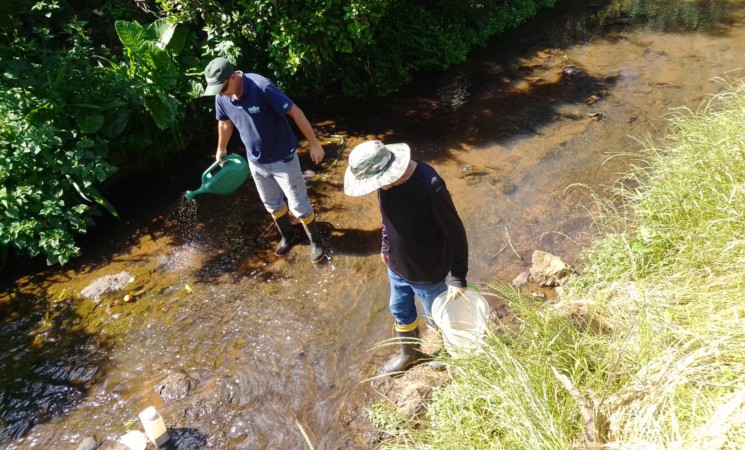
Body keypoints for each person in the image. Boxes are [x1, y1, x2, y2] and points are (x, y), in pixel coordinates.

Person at [343, 140, 469, 374]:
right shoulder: (385, 184)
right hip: (397, 263)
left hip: (427, 270)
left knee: (437, 316)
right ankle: (410, 353)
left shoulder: (430, 186)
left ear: (391, 170)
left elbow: (456, 232)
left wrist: (459, 277)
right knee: (399, 308)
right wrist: (385, 245)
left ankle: (450, 351)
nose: (379, 187)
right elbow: (386, 216)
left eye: (379, 183)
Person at [201, 57, 325, 262]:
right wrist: (221, 148)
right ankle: (288, 235)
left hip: (283, 158)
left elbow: (294, 111)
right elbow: (224, 124)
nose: (219, 93)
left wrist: (314, 143)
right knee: (271, 203)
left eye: (221, 88)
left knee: (298, 204)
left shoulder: (261, 86)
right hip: (256, 161)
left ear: (232, 77)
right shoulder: (221, 95)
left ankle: (315, 241)